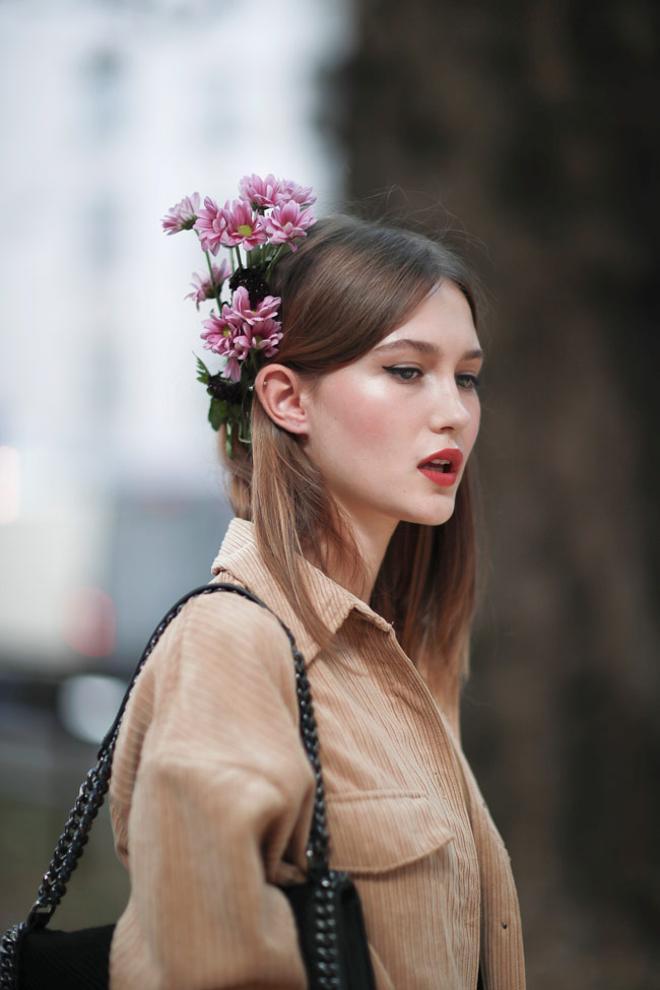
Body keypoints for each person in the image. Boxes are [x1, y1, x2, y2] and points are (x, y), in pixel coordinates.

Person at [108, 196, 526, 988]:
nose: (453, 414)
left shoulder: (395, 661)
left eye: (466, 379)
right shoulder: (236, 643)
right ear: (286, 398)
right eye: (407, 371)